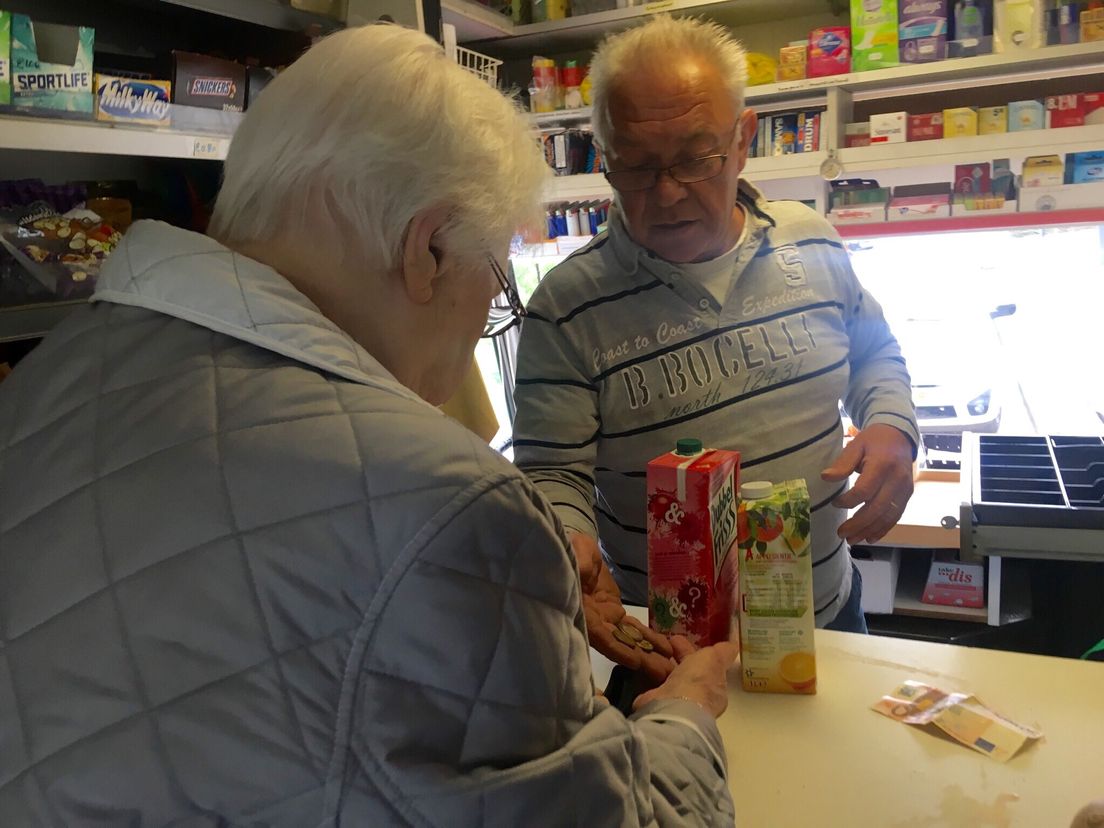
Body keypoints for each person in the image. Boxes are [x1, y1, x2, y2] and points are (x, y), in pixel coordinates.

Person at [0, 25, 738, 826]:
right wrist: (684, 717)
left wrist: (520, 603)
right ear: (425, 250)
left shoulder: (45, 381)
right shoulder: (448, 503)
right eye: (493, 278)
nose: (485, 317)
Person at [513, 15, 919, 670]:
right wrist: (566, 539)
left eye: (696, 158)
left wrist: (893, 425)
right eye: (637, 167)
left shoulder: (811, 238)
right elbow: (551, 472)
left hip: (829, 618)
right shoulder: (564, 309)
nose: (668, 193)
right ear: (604, 154)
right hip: (669, 653)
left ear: (742, 141)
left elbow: (872, 349)